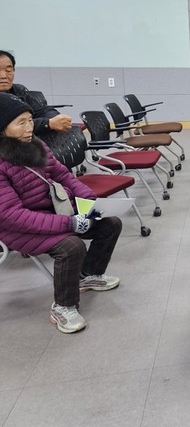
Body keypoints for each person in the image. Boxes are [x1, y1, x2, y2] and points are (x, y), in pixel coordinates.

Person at [0, 93, 122, 334]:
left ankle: (88, 275)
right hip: (18, 226)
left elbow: (63, 175)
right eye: (21, 123)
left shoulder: (36, 144)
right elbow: (10, 215)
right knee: (71, 246)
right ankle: (63, 307)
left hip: (55, 211)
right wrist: (69, 223)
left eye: (30, 120)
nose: (29, 128)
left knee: (110, 223)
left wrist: (88, 201)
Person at [0, 50, 73, 135]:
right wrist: (47, 123)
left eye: (8, 70)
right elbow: (9, 126)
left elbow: (42, 110)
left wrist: (56, 119)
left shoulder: (19, 90)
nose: (3, 76)